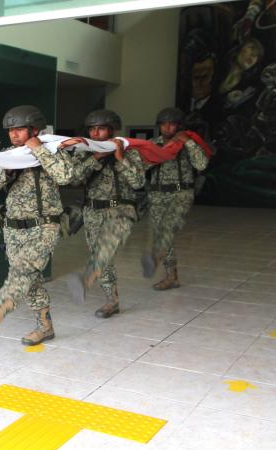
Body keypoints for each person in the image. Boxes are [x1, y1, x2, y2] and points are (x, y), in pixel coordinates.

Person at [0, 105, 75, 346]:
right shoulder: (6, 155)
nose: (13, 134)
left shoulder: (52, 150)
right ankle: (45, 326)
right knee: (30, 281)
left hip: (44, 226)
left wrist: (39, 151)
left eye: (19, 129)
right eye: (10, 130)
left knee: (23, 272)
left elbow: (66, 176)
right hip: (14, 228)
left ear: (34, 130)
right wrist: (5, 171)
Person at [63, 109, 146, 318]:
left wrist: (119, 158)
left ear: (112, 130)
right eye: (92, 129)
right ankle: (112, 300)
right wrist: (95, 158)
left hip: (120, 210)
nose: (95, 134)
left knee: (104, 253)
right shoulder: (85, 152)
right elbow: (72, 179)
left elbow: (138, 182)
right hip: (92, 211)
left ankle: (88, 282)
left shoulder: (130, 152)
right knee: (100, 256)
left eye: (101, 129)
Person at [142, 106, 209, 291]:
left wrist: (188, 142)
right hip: (157, 195)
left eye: (172, 125)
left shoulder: (187, 144)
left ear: (179, 126)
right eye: (164, 125)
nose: (168, 128)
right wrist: (156, 154)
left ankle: (170, 275)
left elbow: (202, 164)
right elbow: (140, 168)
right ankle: (172, 275)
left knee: (167, 233)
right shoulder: (153, 144)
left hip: (181, 194)